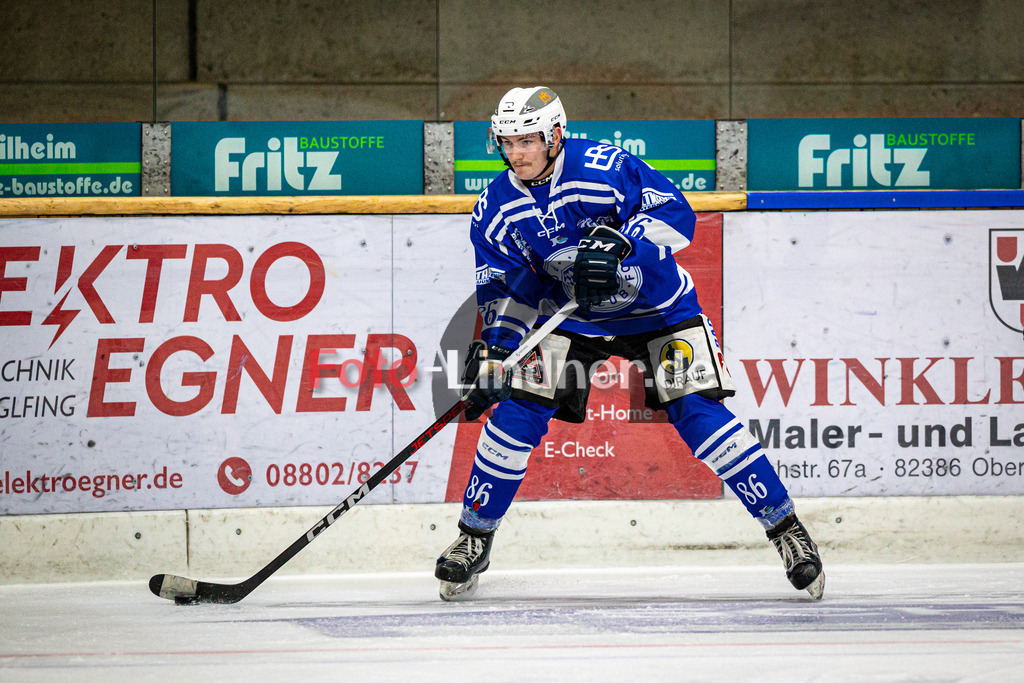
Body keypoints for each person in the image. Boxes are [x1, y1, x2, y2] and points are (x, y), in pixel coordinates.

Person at [435, 86, 824, 601]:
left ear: (555, 135)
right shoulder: (495, 207)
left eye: (527, 140)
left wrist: (623, 242)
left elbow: (676, 214)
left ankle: (787, 530)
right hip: (569, 323)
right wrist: (497, 351)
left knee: (698, 413)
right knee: (515, 413)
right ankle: (473, 537)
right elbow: (506, 288)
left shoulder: (604, 165)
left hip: (659, 312)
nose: (517, 153)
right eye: (507, 142)